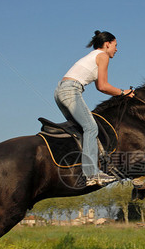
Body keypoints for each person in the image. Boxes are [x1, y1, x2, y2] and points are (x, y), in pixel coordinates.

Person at [54, 30, 134, 187]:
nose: (116, 49)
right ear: (107, 44)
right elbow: (104, 86)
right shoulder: (102, 56)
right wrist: (124, 92)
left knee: (80, 130)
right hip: (71, 91)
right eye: (115, 45)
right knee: (91, 128)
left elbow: (99, 86)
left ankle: (77, 168)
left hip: (60, 92)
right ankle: (91, 175)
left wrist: (119, 93)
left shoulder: (94, 56)